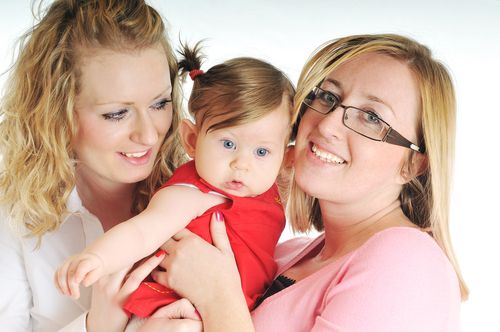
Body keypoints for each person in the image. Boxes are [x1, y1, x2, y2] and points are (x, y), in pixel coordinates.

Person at [151, 34, 469, 331]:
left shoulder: (407, 262)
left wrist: (218, 298)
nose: (328, 124)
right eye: (328, 97)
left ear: (414, 164)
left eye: (372, 117)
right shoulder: (286, 254)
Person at [55, 43, 296, 322]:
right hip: (175, 310)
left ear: (284, 157)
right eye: (228, 144)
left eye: (262, 152)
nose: (242, 164)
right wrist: (97, 259)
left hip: (229, 312)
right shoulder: (192, 193)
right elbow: (142, 233)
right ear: (192, 140)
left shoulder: (269, 188)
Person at [0, 0, 187, 331]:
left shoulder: (199, 199)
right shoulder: (12, 219)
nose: (148, 134)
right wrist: (95, 326)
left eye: (160, 104)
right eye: (116, 113)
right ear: (57, 113)